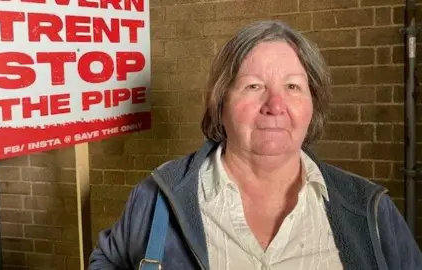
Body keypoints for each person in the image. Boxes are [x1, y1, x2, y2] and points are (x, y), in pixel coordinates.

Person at [88, 20, 422, 270]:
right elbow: (107, 261)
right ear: (221, 101)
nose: (275, 105)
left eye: (292, 86)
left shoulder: (369, 210)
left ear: (313, 104)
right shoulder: (157, 197)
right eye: (253, 86)